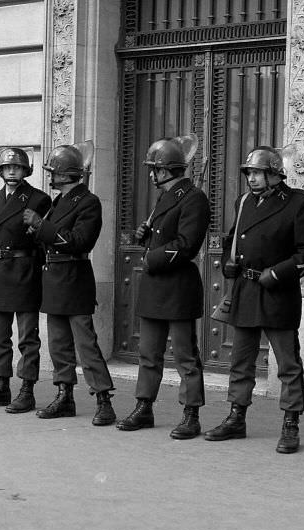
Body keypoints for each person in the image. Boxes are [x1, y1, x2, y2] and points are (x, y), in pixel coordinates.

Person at [204, 146, 304, 453]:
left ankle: (291, 423)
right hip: (245, 290)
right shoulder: (244, 202)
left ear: (274, 174)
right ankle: (236, 417)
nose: (251, 179)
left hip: (277, 291)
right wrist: (229, 259)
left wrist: (277, 274)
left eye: (256, 173)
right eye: (249, 173)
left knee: (287, 363)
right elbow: (235, 236)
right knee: (241, 360)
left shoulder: (299, 203)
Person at [116, 134, 210, 439]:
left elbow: (186, 245)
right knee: (149, 353)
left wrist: (150, 255)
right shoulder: (166, 197)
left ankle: (191, 413)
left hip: (178, 286)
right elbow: (165, 235)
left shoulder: (193, 198)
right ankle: (144, 407)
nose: (153, 174)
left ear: (167, 170)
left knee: (185, 356)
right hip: (156, 287)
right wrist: (146, 235)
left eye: (155, 169)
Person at [21, 141, 116, 426]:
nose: (51, 175)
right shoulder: (58, 202)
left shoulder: (88, 202)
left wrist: (42, 226)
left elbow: (79, 242)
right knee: (58, 345)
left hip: (74, 278)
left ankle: (103, 399)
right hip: (54, 279)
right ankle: (65, 395)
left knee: (86, 345)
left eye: (55, 171)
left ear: (67, 173)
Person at [0, 147, 51, 412]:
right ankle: (1, 386)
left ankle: (27, 389)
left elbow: (42, 240)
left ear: (26, 170)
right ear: (0, 171)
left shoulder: (38, 199)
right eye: (7, 168)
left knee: (28, 337)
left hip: (26, 269)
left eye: (17, 167)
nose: (12, 171)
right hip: (1, 271)